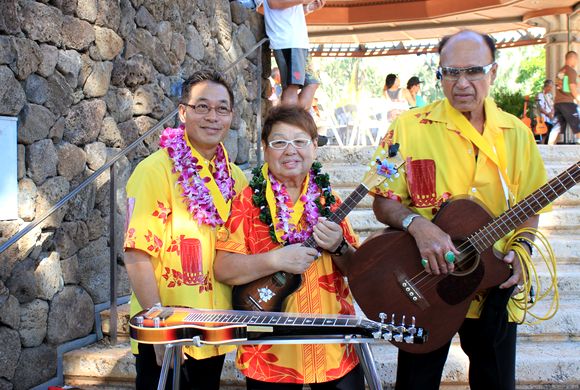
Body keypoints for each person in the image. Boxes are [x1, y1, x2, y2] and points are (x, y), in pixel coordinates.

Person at [367, 30, 549, 390]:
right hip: (425, 285)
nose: (461, 83)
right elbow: (382, 199)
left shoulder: (516, 134)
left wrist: (522, 249)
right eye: (450, 72)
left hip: (493, 282)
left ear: (493, 72)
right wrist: (416, 224)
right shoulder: (409, 127)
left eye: (474, 71)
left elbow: (531, 203)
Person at [214, 105, 365, 389]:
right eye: (279, 142)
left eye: (300, 141)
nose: (290, 150)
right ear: (265, 148)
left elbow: (356, 268)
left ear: (315, 147)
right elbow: (224, 268)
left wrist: (339, 246)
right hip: (271, 356)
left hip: (334, 349)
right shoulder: (247, 203)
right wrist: (276, 260)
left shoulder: (331, 203)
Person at [123, 69, 248, 390]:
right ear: (183, 112)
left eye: (222, 109)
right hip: (168, 329)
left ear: (231, 116)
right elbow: (137, 255)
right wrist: (160, 330)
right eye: (202, 107)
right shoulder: (154, 170)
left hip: (215, 328)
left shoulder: (237, 178)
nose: (212, 116)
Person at [262, 0, 325, 109]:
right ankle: (289, 121)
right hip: (287, 39)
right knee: (292, 87)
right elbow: (274, 3)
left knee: (312, 83)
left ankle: (294, 119)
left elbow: (289, 10)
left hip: (298, 41)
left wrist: (309, 7)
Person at [553, 50, 580, 144]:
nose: (577, 62)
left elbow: (562, 87)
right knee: (577, 126)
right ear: (572, 59)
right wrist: (578, 98)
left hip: (558, 102)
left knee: (559, 128)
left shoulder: (560, 72)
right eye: (576, 59)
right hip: (568, 102)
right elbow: (572, 87)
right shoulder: (571, 71)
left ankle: (552, 147)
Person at [536, 79, 556, 144]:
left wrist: (552, 113)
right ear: (546, 86)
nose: (551, 89)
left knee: (550, 134)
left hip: (550, 118)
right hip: (543, 118)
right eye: (550, 87)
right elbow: (539, 107)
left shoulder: (549, 95)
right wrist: (548, 114)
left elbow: (552, 106)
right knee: (544, 134)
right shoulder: (539, 95)